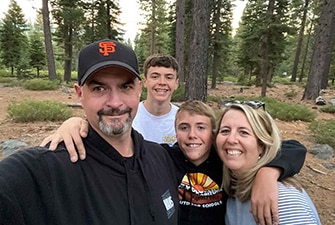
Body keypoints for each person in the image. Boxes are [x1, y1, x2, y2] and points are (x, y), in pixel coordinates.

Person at [41, 100, 307, 225]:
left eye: (201, 128)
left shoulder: (223, 160)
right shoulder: (164, 156)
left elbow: (294, 147)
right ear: (174, 131)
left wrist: (269, 172)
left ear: (213, 134)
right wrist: (77, 122)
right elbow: (127, 143)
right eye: (184, 128)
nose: (192, 136)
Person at [0, 39, 179, 225]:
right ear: (79, 94)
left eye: (125, 86)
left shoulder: (160, 158)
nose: (115, 102)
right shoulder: (46, 170)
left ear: (139, 89)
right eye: (99, 88)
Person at [41, 54, 180, 160]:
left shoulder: (185, 120)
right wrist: (72, 124)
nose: (162, 83)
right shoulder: (126, 113)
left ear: (176, 83)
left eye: (168, 77)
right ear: (144, 82)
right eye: (155, 76)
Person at [216, 102, 321, 225]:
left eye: (244, 132)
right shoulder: (235, 189)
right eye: (225, 131)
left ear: (261, 145)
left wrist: (267, 173)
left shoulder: (283, 200)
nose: (231, 139)